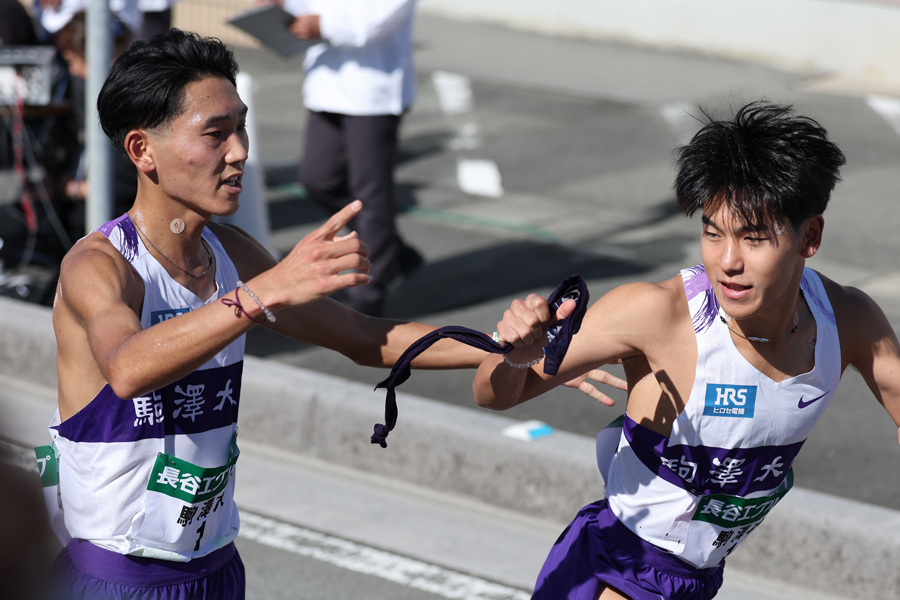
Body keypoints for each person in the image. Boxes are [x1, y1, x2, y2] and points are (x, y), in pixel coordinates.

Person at [45, 29, 486, 599]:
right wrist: (264, 293)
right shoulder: (99, 265)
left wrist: (515, 347)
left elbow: (364, 336)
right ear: (141, 150)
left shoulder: (234, 255)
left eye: (241, 126)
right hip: (117, 577)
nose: (240, 151)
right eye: (215, 134)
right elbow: (128, 368)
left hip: (217, 569)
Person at [473, 102, 900, 600]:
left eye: (753, 238)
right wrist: (515, 354)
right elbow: (495, 393)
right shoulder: (657, 313)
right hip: (619, 565)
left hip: (697, 580)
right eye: (712, 233)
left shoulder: (847, 319)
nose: (727, 262)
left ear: (810, 236)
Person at [280, 0, 423, 316]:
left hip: (372, 88)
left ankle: (371, 294)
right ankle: (393, 251)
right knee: (318, 180)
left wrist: (324, 25)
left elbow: (375, 18)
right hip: (327, 82)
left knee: (369, 195)